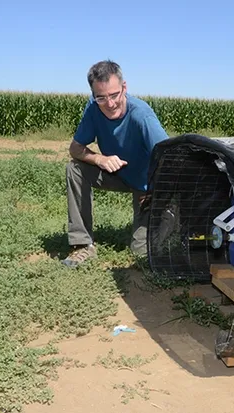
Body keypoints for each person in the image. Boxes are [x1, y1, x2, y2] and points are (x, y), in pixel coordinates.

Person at [61, 60, 169, 267]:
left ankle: (169, 221)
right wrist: (99, 159)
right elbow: (75, 149)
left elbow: (169, 157)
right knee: (74, 169)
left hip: (147, 186)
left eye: (114, 95)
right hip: (117, 173)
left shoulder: (141, 115)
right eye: (100, 97)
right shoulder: (94, 108)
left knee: (140, 253)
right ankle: (83, 245)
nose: (109, 104)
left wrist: (155, 189)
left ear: (124, 88)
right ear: (93, 94)